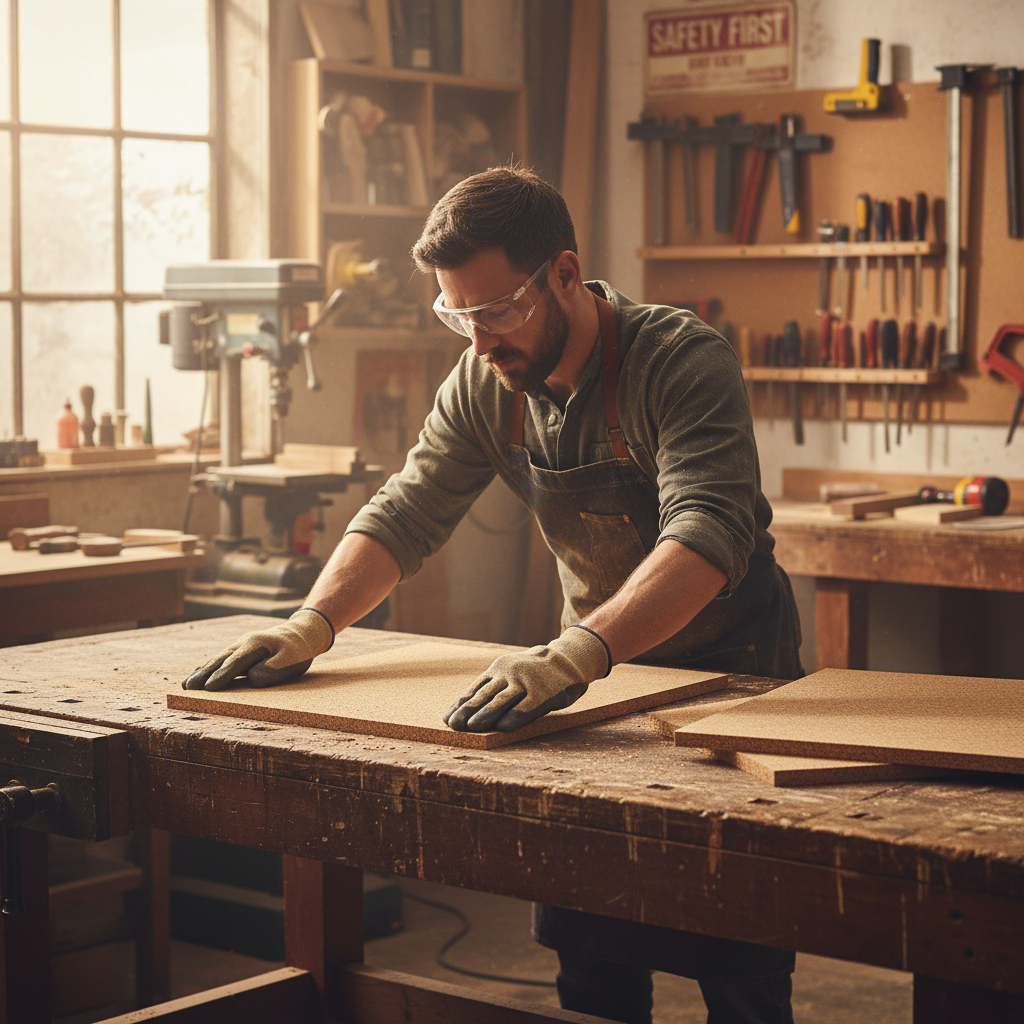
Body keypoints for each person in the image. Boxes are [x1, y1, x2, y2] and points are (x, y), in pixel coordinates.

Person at [183, 164, 803, 1024]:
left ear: (562, 274)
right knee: (591, 960)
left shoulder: (677, 361)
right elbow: (407, 510)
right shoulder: (488, 380)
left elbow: (706, 536)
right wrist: (312, 622)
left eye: (495, 310)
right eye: (455, 314)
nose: (477, 341)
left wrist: (580, 647)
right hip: (595, 696)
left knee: (738, 964)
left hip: (733, 688)